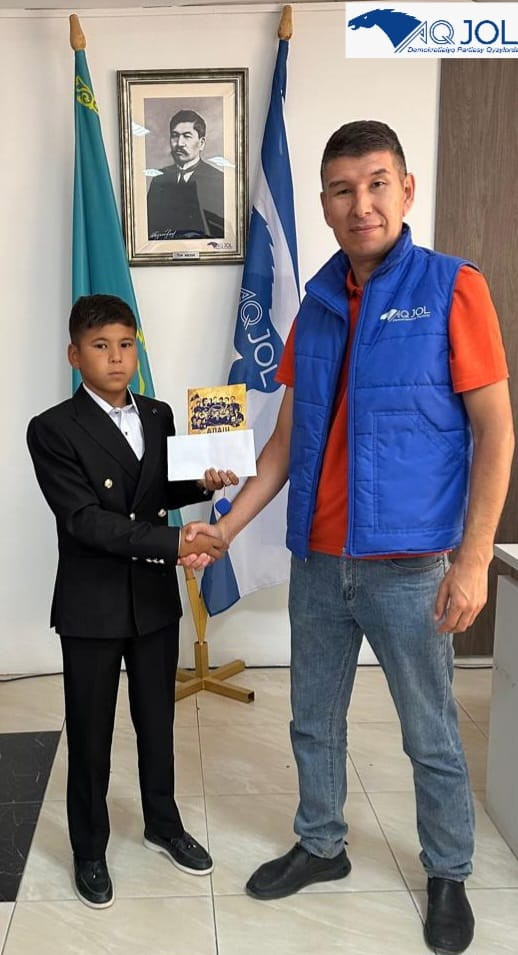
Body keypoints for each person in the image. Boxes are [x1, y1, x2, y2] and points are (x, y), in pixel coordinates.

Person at [186, 121, 514, 954]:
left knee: (429, 731)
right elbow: (285, 441)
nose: (361, 203)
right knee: (314, 718)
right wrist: (226, 529)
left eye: (376, 183)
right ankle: (322, 842)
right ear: (327, 206)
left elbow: (496, 430)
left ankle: (448, 870)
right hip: (319, 559)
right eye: (342, 189)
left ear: (406, 191)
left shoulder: (453, 288)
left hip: (410, 565)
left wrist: (474, 558)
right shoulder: (319, 303)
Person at [26, 293, 237, 910]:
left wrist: (204, 478)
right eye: (100, 346)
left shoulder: (159, 412)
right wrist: (175, 543)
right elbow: (84, 520)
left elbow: (160, 488)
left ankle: (162, 824)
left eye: (125, 344)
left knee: (157, 722)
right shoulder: (52, 428)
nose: (116, 358)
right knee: (91, 733)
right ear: (74, 355)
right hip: (91, 605)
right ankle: (89, 848)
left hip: (152, 598)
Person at [147, 109, 224, 240]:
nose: (179, 143)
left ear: (201, 143)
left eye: (187, 136)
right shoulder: (159, 180)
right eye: (175, 136)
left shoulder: (218, 180)